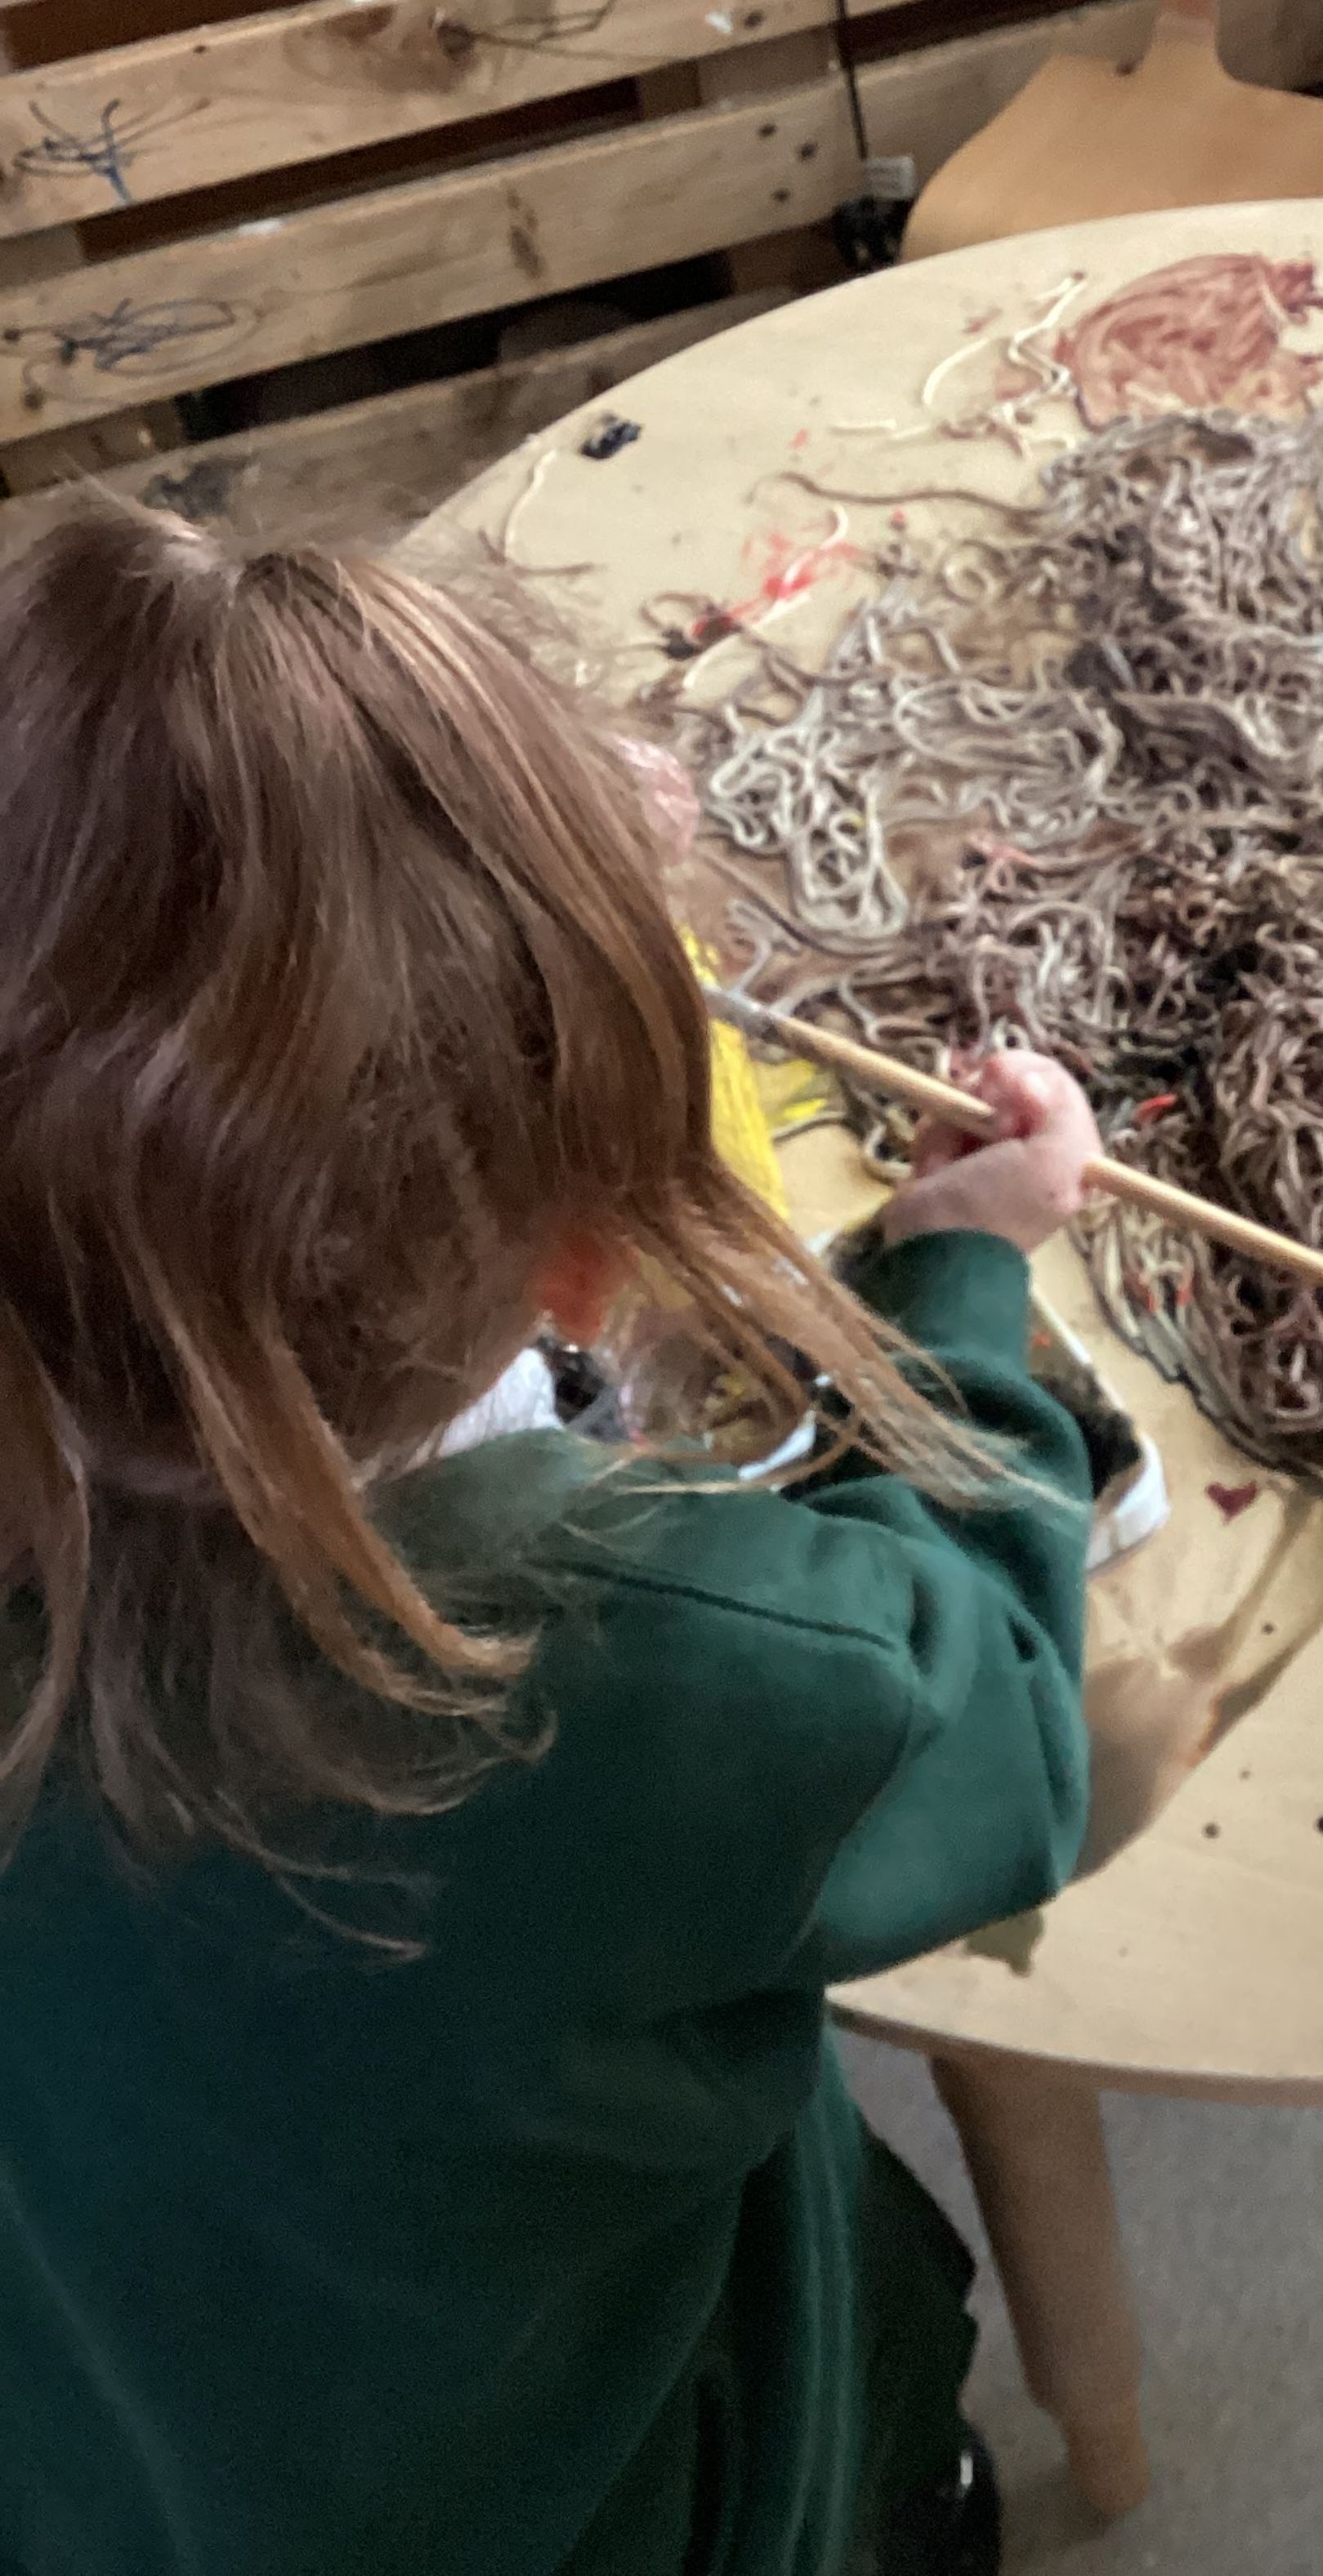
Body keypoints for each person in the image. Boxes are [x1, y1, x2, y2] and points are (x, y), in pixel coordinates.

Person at [0, 504, 1103, 2576]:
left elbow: (157, 896)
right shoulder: (655, 1668)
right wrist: (958, 1281)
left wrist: (515, 864)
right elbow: (1002, 1716)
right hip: (585, 2491)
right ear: (595, 1263)